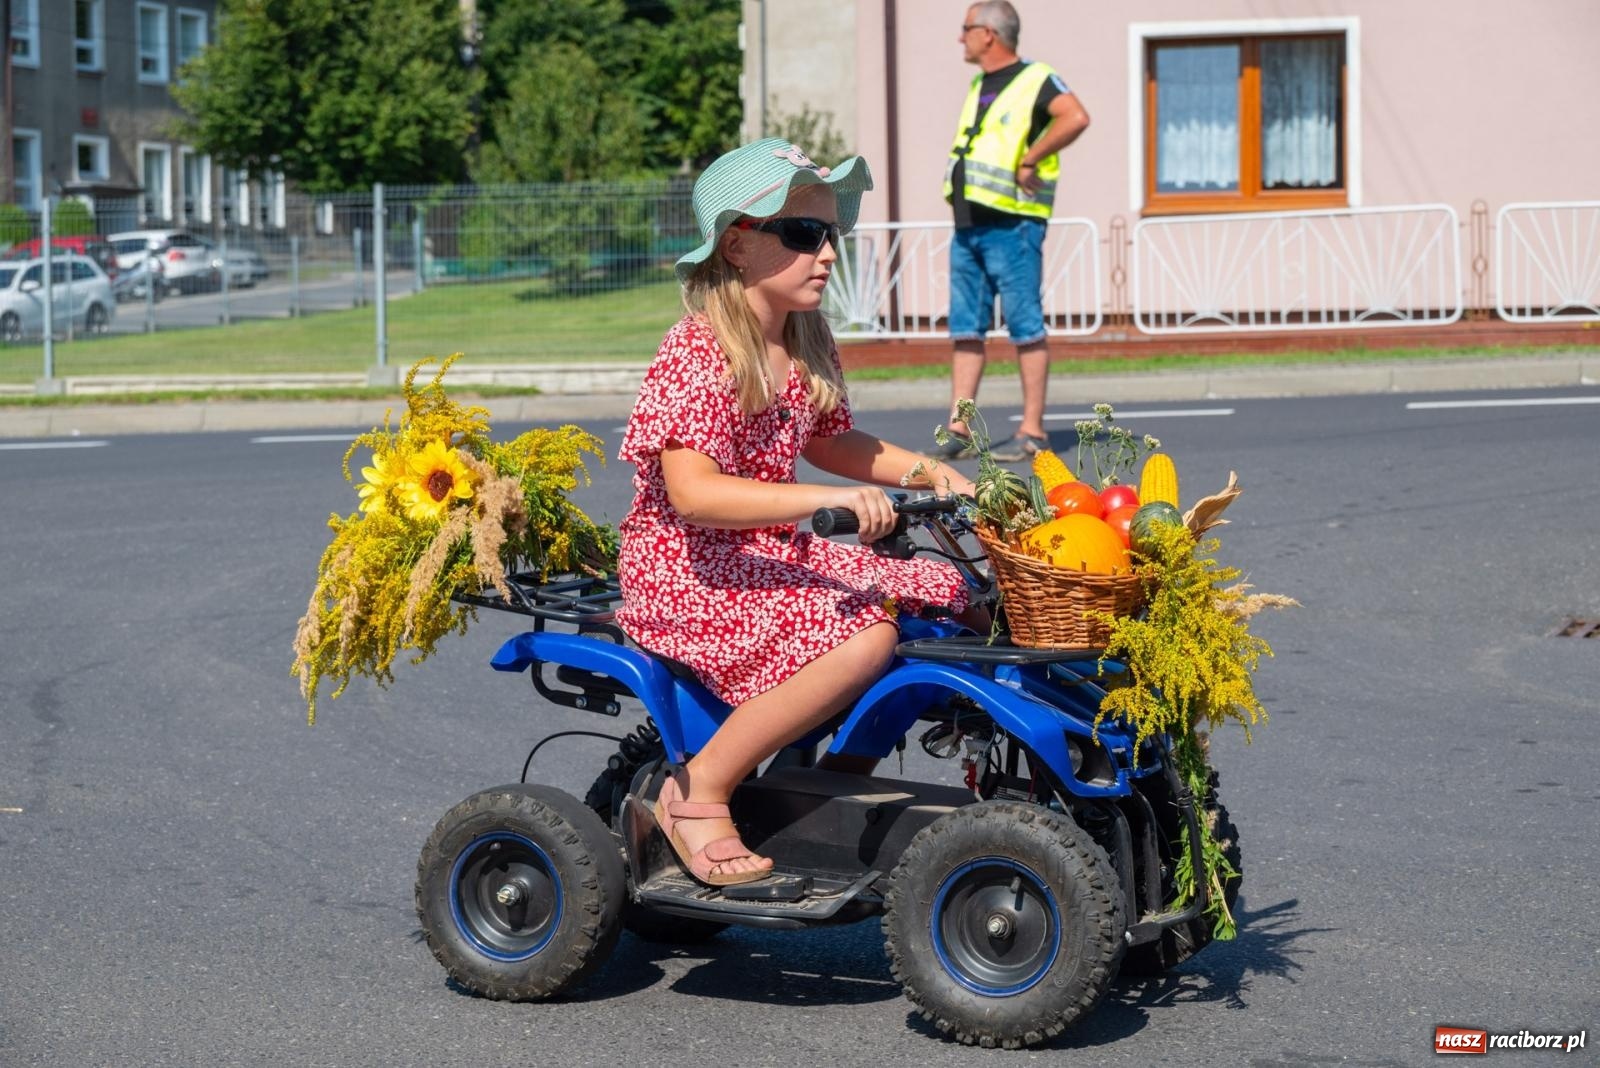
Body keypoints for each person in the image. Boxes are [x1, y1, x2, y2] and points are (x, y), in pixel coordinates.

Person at [615, 138, 977, 886]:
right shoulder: (699, 350)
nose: (827, 254)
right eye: (805, 234)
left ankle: (831, 778)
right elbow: (695, 493)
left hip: (762, 552)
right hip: (688, 568)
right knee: (865, 636)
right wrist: (828, 500)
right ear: (739, 244)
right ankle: (702, 789)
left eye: (831, 236)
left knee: (949, 594)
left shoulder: (805, 339)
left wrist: (931, 470)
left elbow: (833, 441)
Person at [938, 1, 1091, 461]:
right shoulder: (980, 83)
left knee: (1025, 327)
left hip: (1013, 224)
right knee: (966, 329)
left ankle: (1033, 430)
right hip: (969, 224)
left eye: (966, 29)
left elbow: (1075, 116)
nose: (959, 37)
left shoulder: (1035, 77)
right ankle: (959, 428)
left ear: (989, 33)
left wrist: (1030, 159)